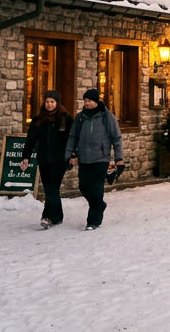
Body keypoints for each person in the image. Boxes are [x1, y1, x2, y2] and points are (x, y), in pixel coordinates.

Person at [64, 88, 123, 231]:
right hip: (84, 158)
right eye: (85, 101)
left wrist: (119, 158)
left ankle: (93, 221)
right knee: (83, 186)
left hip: (101, 158)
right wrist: (69, 155)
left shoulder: (106, 116)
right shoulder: (80, 117)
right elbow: (72, 137)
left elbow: (116, 138)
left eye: (89, 100)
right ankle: (100, 205)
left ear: (96, 101)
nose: (87, 103)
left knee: (96, 189)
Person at [20, 89, 73, 229]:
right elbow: (31, 139)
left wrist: (73, 155)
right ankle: (58, 216)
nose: (49, 104)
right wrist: (26, 156)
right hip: (43, 160)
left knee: (52, 188)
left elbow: (72, 139)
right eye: (47, 101)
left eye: (52, 101)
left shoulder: (65, 118)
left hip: (60, 160)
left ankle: (47, 217)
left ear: (57, 102)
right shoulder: (38, 119)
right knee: (50, 188)